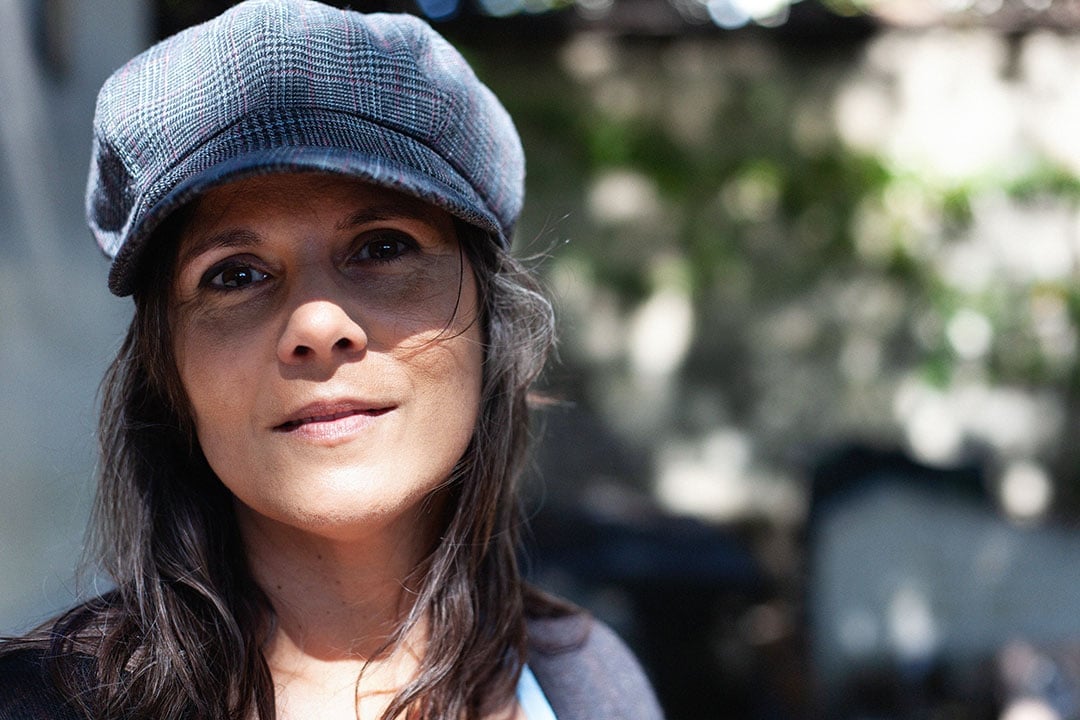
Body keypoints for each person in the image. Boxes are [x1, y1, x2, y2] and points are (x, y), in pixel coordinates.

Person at [0, 1, 665, 719]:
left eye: (383, 247)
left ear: (489, 319)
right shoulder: (42, 705)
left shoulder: (585, 680)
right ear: (169, 375)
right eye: (234, 274)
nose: (317, 324)